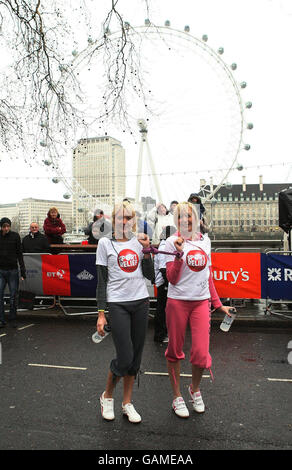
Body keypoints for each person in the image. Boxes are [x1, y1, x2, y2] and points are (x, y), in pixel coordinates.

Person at [164, 202, 234, 418]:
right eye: (181, 216)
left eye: (189, 216)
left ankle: (194, 389)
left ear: (196, 219)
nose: (185, 220)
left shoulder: (206, 242)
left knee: (201, 354)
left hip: (200, 302)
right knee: (175, 351)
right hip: (177, 302)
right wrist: (178, 254)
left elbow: (208, 277)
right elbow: (171, 279)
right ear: (176, 220)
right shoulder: (170, 242)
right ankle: (177, 396)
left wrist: (218, 304)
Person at [96, 200, 154, 423]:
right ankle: (107, 396)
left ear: (134, 220)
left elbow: (149, 276)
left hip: (140, 302)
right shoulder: (104, 244)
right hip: (117, 303)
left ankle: (127, 402)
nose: (125, 221)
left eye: (129, 217)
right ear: (113, 219)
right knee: (125, 357)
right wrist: (101, 313)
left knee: (136, 359)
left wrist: (147, 252)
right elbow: (101, 282)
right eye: (121, 217)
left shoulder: (140, 242)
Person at [0, 218, 26, 328]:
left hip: (13, 270)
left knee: (13, 296)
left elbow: (20, 254)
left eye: (8, 226)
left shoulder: (15, 236)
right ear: (1, 227)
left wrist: (23, 271)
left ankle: (12, 317)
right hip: (0, 270)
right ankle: (1, 319)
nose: (6, 228)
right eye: (4, 226)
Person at [153, 225, 177, 343]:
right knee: (162, 309)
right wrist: (169, 284)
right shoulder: (164, 246)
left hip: (163, 282)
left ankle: (163, 333)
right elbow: (163, 269)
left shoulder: (163, 245)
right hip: (164, 283)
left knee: (163, 308)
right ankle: (160, 335)